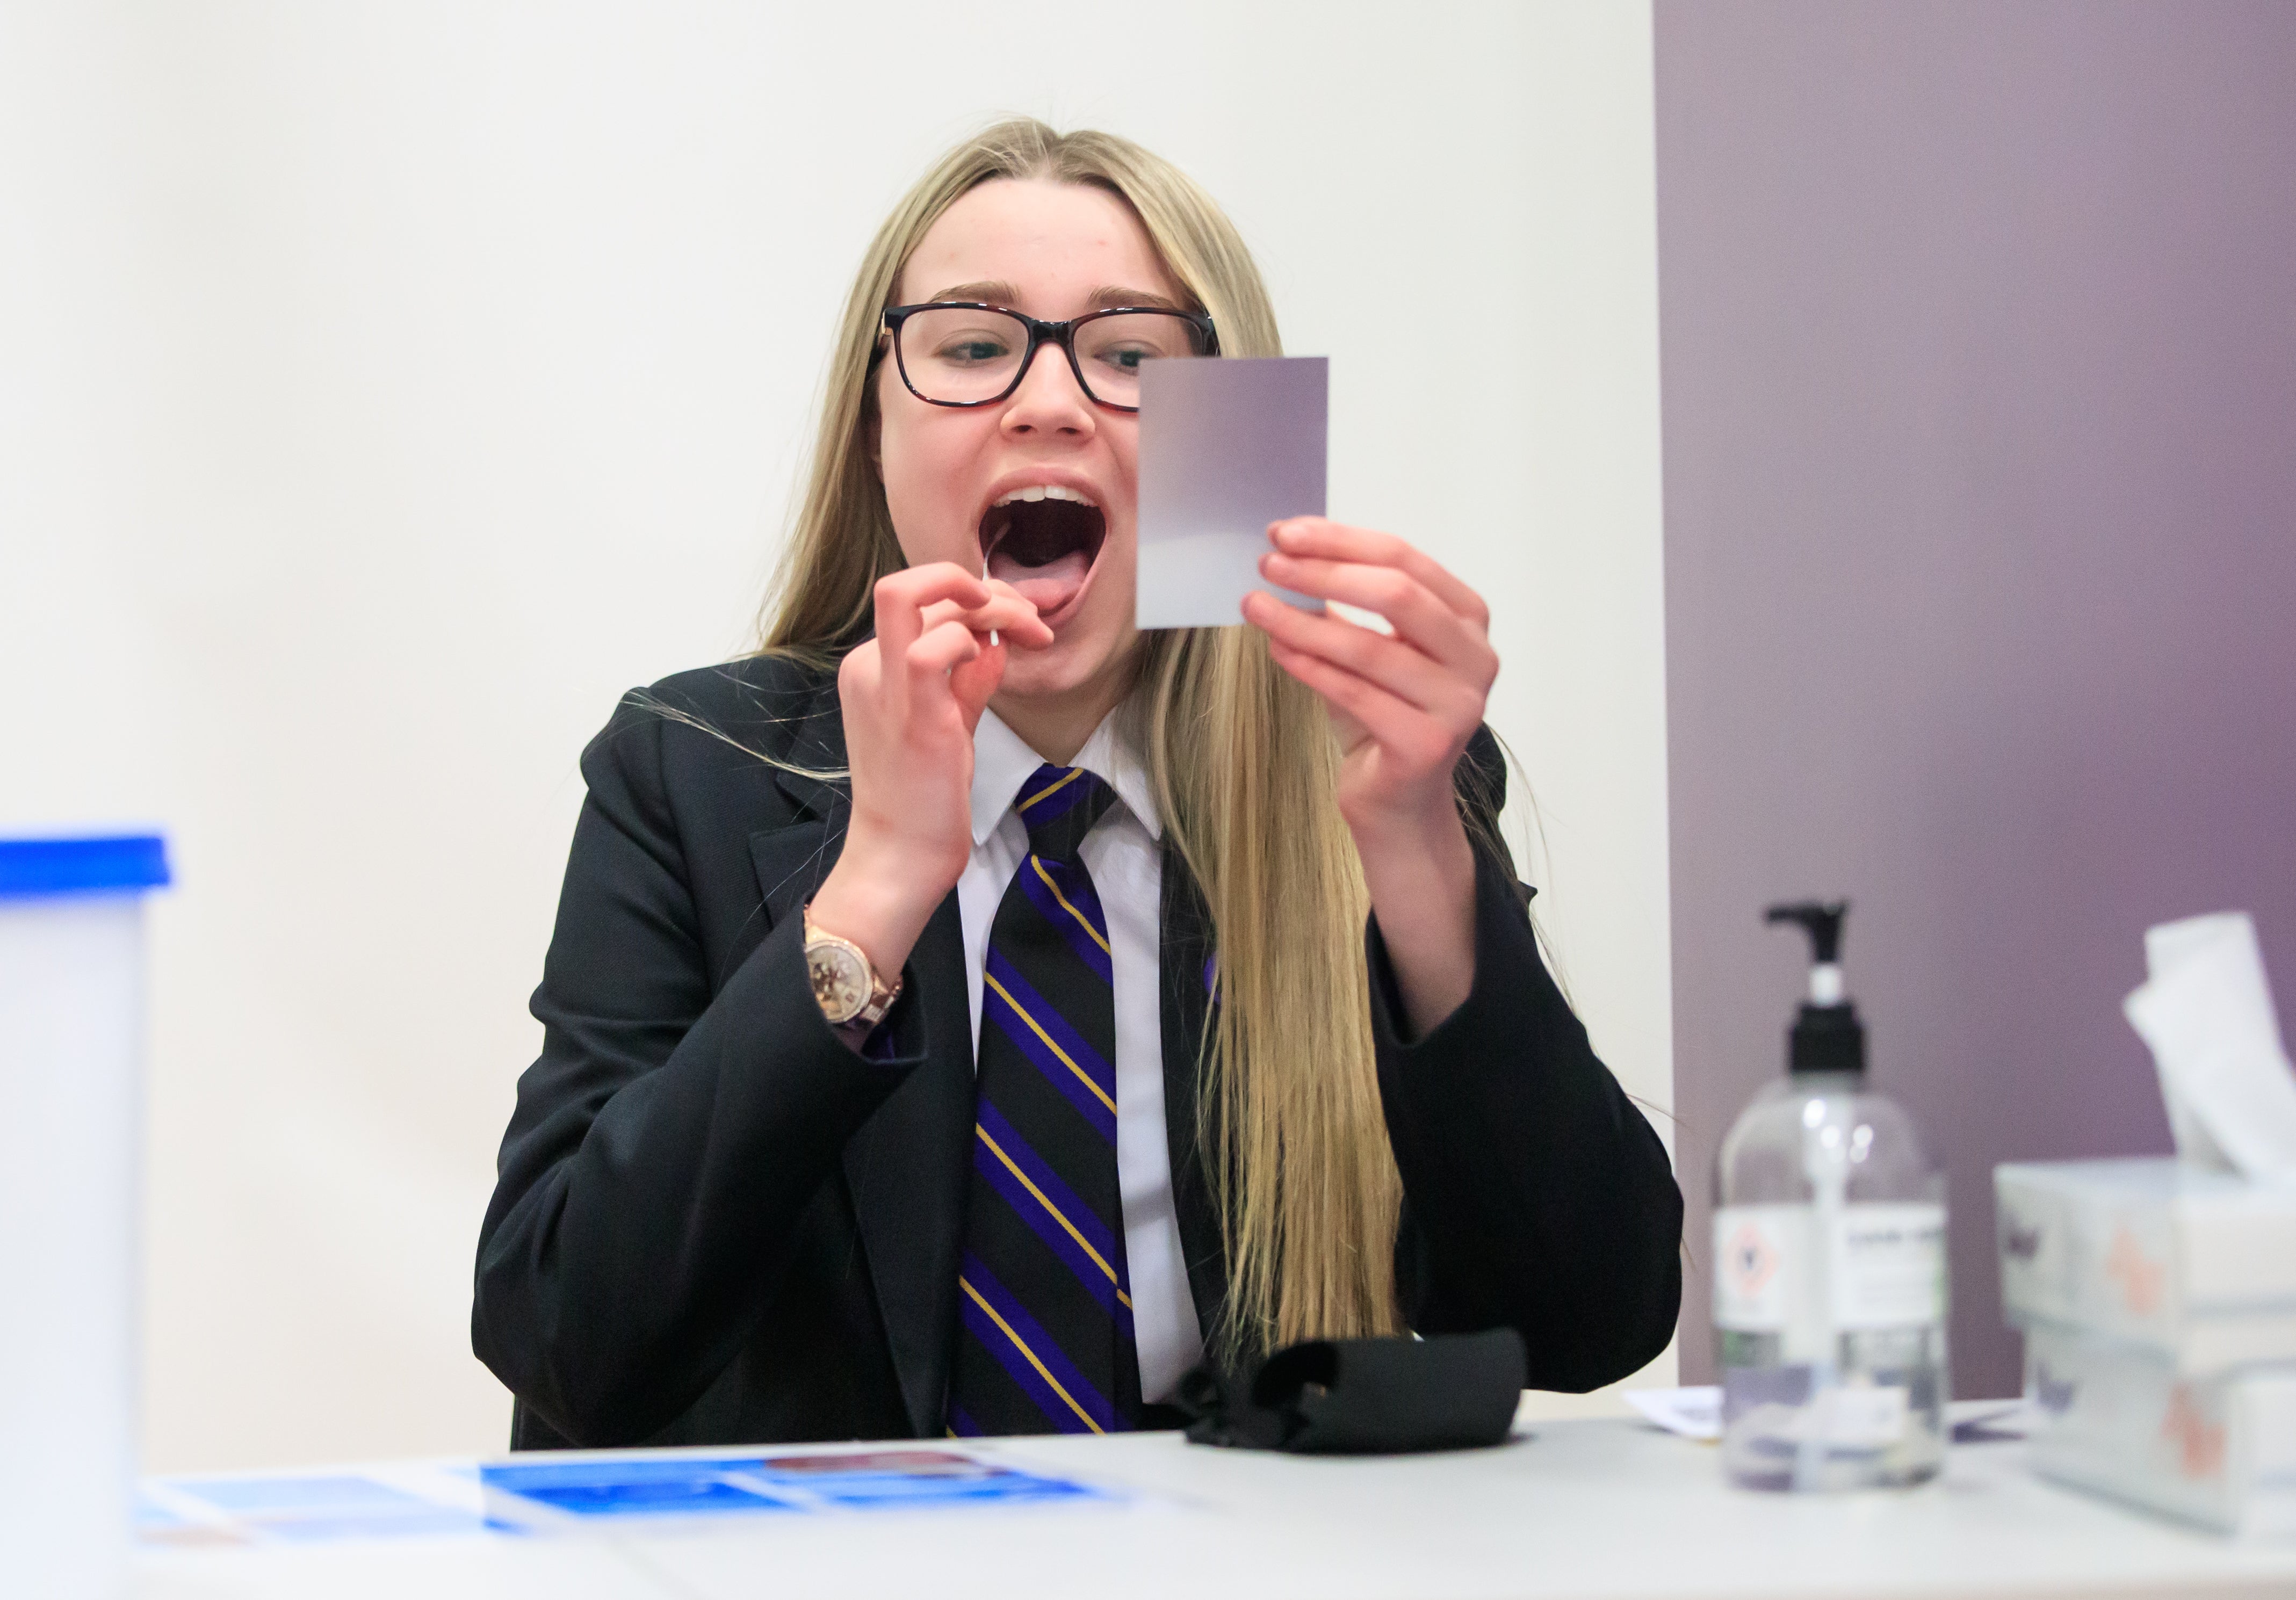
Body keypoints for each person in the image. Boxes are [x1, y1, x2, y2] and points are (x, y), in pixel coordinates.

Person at [473, 119, 1681, 1449]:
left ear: (1232, 449)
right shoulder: (692, 771)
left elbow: (1594, 1318)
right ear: (877, 431)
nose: (1047, 402)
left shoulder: (1366, 784)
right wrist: (873, 889)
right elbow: (564, 1334)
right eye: (975, 346)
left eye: (1129, 356)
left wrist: (1420, 873)